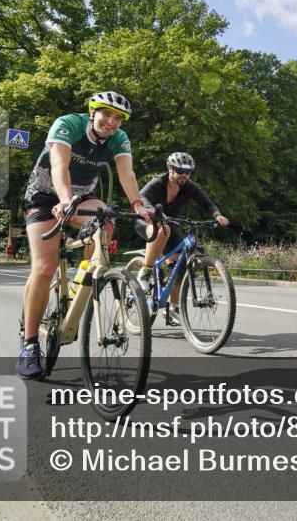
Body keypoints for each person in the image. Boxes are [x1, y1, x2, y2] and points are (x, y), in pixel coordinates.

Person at [17, 92, 153, 380]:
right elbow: (59, 166)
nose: (112, 121)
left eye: (118, 118)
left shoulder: (119, 138)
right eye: (106, 114)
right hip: (44, 195)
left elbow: (126, 173)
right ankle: (29, 345)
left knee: (106, 218)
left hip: (82, 197)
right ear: (92, 112)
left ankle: (84, 282)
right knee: (44, 269)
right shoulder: (68, 125)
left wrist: (138, 204)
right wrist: (64, 199)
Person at [135, 153, 230, 320]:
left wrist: (217, 214)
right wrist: (153, 212)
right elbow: (141, 197)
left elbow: (207, 202)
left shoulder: (189, 187)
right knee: (163, 230)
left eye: (188, 172)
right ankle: (146, 271)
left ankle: (173, 307)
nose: (184, 175)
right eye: (180, 170)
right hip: (148, 221)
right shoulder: (159, 182)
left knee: (179, 265)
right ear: (171, 169)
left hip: (171, 225)